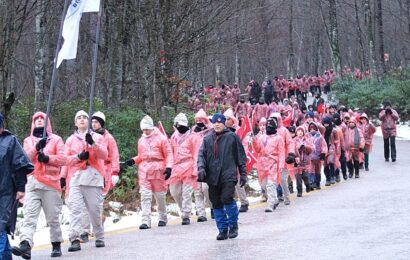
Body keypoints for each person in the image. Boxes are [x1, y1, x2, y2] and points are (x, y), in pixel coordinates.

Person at [13, 112, 65, 259]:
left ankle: (56, 243)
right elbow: (25, 158)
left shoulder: (56, 139)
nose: (40, 120)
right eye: (37, 119)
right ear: (33, 123)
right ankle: (26, 244)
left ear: (47, 122)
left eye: (43, 118)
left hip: (50, 184)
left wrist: (48, 158)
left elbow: (63, 159)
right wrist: (36, 148)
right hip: (33, 183)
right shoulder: (28, 140)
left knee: (53, 217)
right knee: (29, 216)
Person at [60, 110, 108, 252]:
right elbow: (65, 159)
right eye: (79, 118)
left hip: (93, 176)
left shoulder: (97, 137)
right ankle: (74, 238)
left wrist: (92, 144)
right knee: (75, 208)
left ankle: (99, 235)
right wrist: (77, 157)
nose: (82, 120)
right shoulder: (70, 140)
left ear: (88, 121)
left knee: (94, 209)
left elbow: (104, 154)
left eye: (84, 118)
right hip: (76, 176)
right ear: (75, 122)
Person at [197, 113, 247, 240]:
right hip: (213, 176)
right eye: (214, 122)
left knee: (226, 198)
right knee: (216, 202)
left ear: (224, 123)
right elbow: (201, 155)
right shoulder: (207, 139)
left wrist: (243, 173)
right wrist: (201, 168)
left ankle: (233, 225)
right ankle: (223, 229)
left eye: (219, 122)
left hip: (228, 174)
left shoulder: (232, 137)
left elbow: (241, 156)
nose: (217, 124)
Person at [125, 115, 173, 229]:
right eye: (143, 129)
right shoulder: (141, 140)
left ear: (151, 127)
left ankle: (162, 217)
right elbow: (141, 156)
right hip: (144, 170)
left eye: (147, 129)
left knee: (160, 196)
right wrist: (133, 160)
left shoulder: (161, 139)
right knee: (145, 195)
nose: (145, 131)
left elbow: (169, 154)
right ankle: (146, 221)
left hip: (158, 170)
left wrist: (169, 167)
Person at [80, 111, 120, 242]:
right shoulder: (87, 136)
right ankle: (84, 231)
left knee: (97, 202)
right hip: (88, 170)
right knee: (86, 202)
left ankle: (98, 228)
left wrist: (115, 172)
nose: (93, 124)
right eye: (92, 121)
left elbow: (114, 155)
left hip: (104, 172)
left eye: (96, 122)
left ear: (101, 123)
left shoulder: (109, 138)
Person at [0, 112, 34, 260]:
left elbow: (20, 165)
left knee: (0, 225)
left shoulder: (10, 141)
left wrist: (21, 188)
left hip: (6, 192)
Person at [168, 113, 196, 225]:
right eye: (178, 125)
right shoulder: (173, 137)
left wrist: (195, 168)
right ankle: (182, 208)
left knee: (187, 192)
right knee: (174, 192)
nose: (180, 127)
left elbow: (196, 152)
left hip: (188, 165)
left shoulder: (192, 136)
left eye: (181, 125)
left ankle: (186, 214)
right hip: (176, 167)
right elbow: (170, 153)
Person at [252, 117, 285, 211]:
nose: (269, 127)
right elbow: (257, 149)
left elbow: (282, 153)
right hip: (262, 164)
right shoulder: (262, 137)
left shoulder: (279, 138)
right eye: (268, 125)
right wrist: (254, 141)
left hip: (273, 163)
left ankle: (270, 205)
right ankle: (274, 199)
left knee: (271, 184)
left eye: (271, 125)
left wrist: (281, 165)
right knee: (264, 185)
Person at [224, 109, 250, 213]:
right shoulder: (223, 131)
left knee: (239, 183)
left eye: (228, 119)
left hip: (237, 159)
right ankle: (231, 203)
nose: (226, 121)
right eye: (225, 119)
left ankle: (244, 202)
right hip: (226, 160)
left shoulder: (240, 131)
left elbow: (244, 145)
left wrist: (241, 157)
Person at [191, 109, 213, 222]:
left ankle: (213, 205)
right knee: (197, 190)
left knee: (206, 188)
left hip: (207, 164)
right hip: (195, 164)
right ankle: (201, 213)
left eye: (200, 119)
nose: (198, 122)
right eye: (197, 120)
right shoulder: (193, 133)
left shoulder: (211, 132)